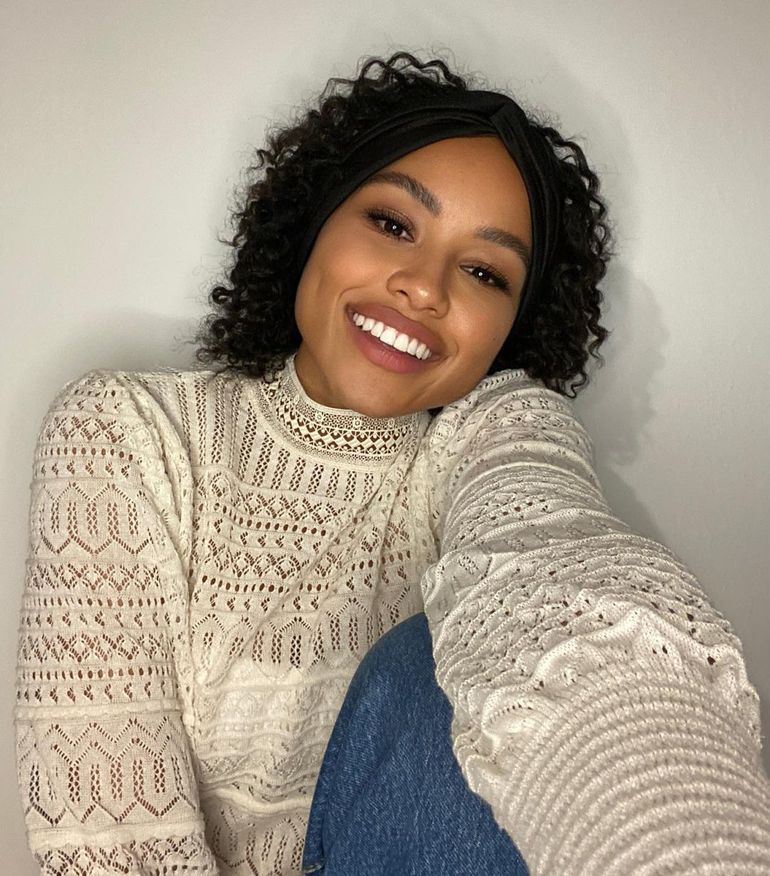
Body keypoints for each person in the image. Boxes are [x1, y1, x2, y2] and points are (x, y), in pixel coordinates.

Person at [14, 51, 770, 876]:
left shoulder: (494, 435)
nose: (425, 286)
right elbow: (109, 832)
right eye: (393, 224)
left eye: (483, 272)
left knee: (440, 672)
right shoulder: (130, 428)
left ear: (512, 326)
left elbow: (560, 578)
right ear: (314, 221)